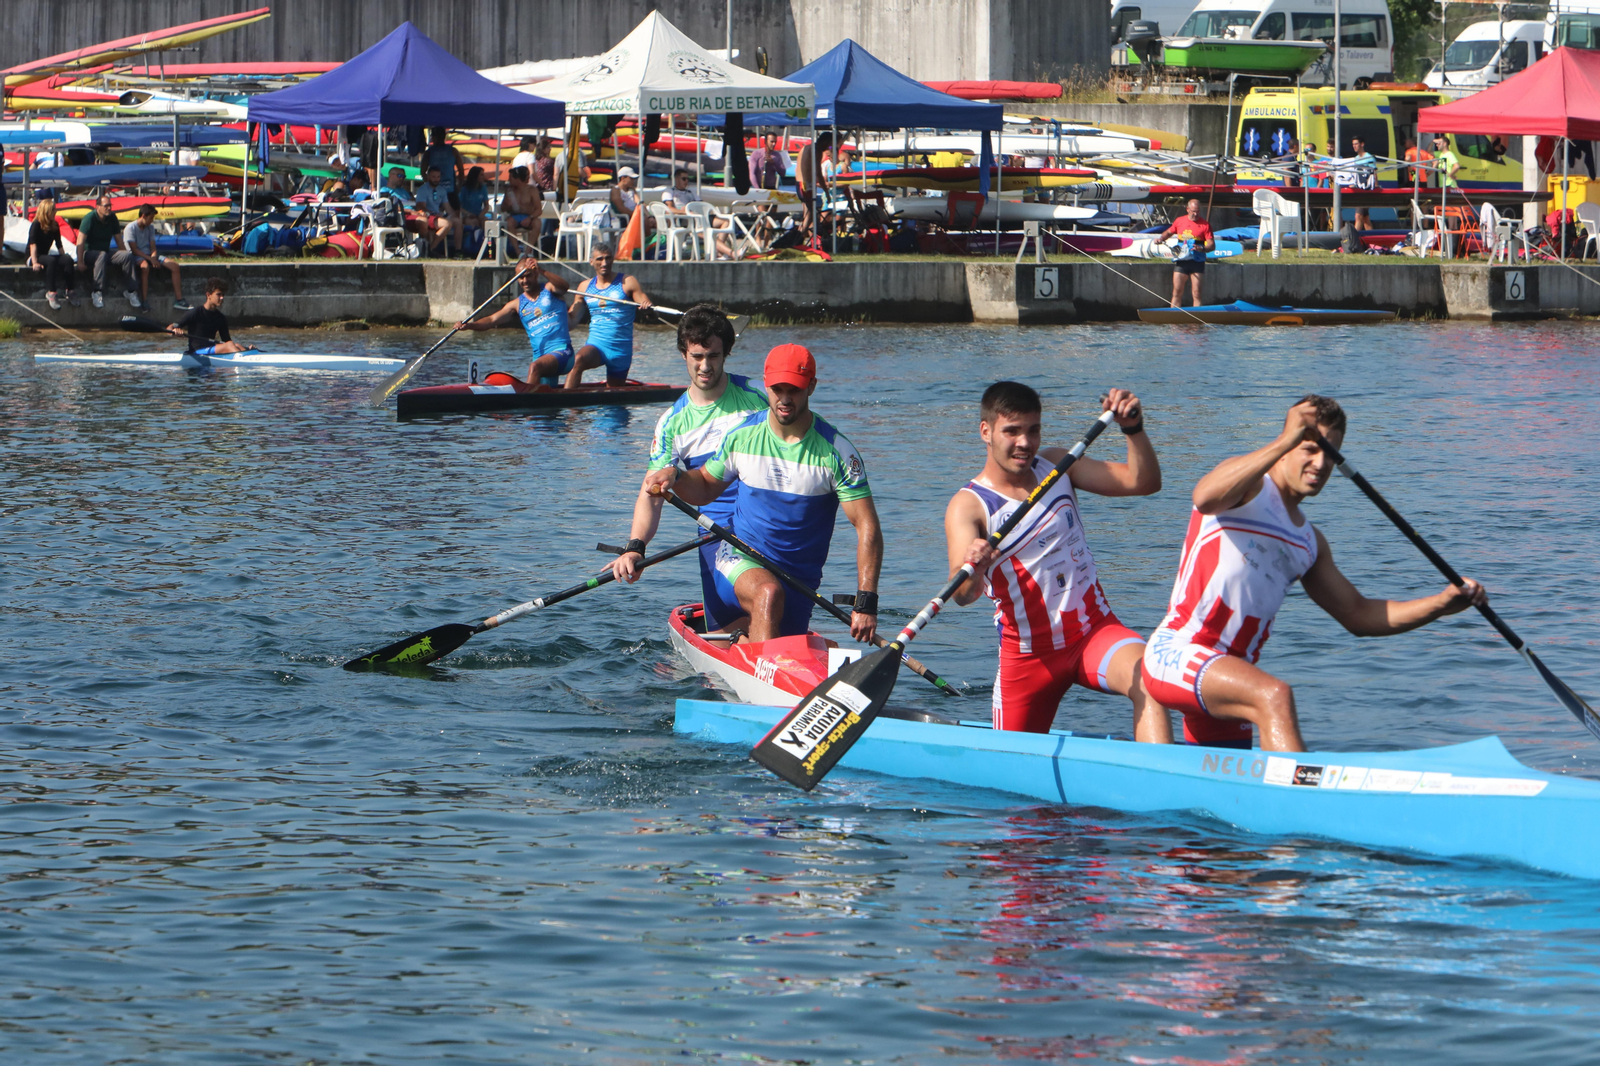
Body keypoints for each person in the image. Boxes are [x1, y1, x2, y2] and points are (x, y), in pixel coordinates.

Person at [1141, 396, 1488, 753]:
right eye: (1310, 448)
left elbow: (1359, 615)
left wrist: (1441, 604)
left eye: (1331, 454)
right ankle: (1298, 795)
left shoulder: (1310, 543)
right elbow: (1204, 498)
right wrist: (1282, 441)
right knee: (1274, 695)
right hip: (1177, 653)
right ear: (1290, 443)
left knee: (1226, 789)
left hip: (1228, 676)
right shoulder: (1248, 486)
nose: (1321, 463)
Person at [945, 382, 1170, 742]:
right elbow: (962, 594)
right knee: (1012, 773)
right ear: (985, 431)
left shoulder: (1058, 465)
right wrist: (977, 564)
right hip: (1027, 658)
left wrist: (1133, 429)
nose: (1024, 443)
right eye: (1012, 431)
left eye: (1033, 430)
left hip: (1093, 632)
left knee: (1152, 679)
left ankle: (1162, 785)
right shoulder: (969, 505)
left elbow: (1144, 483)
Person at [642, 343, 881, 644]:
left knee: (780, 625)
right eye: (776, 389)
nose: (783, 399)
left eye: (793, 390)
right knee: (768, 593)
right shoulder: (743, 436)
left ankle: (752, 648)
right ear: (766, 385)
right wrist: (675, 476)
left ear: (811, 387)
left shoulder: (838, 453)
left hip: (800, 579)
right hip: (739, 559)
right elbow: (703, 486)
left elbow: (867, 526)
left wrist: (866, 601)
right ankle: (764, 670)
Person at [610, 306, 769, 628]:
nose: (705, 366)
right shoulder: (672, 423)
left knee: (774, 609)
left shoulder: (760, 395)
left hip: (769, 530)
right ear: (684, 353)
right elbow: (652, 491)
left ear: (726, 353)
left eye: (713, 356)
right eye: (697, 356)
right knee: (754, 609)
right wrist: (635, 547)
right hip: (719, 535)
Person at [455, 257, 573, 384]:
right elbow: (491, 319)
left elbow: (564, 287)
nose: (525, 281)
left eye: (528, 276)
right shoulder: (516, 304)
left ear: (536, 274)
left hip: (563, 352)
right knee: (544, 395)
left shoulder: (550, 290)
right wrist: (469, 325)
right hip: (541, 358)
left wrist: (541, 270)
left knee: (534, 368)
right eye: (521, 277)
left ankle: (524, 403)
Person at [569, 243, 652, 387]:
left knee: (614, 404)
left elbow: (648, 306)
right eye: (600, 259)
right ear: (591, 261)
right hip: (596, 345)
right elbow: (572, 320)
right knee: (578, 360)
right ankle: (568, 405)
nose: (604, 263)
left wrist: (647, 308)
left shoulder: (627, 282)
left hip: (621, 351)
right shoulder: (584, 287)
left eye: (608, 258)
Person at [119, 203, 190, 311]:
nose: (152, 220)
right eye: (151, 218)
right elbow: (134, 250)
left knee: (174, 266)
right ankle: (144, 300)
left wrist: (154, 256)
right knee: (145, 267)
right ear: (143, 216)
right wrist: (150, 259)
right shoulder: (130, 228)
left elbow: (153, 246)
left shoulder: (150, 228)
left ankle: (179, 300)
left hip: (149, 255)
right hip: (136, 256)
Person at [165, 276, 250, 356]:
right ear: (208, 295)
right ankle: (243, 362)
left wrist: (247, 349)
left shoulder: (221, 318)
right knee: (230, 345)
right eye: (219, 295)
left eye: (223, 295)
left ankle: (249, 356)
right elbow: (169, 328)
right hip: (197, 352)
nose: (222, 298)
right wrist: (174, 331)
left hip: (211, 349)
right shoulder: (195, 313)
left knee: (238, 345)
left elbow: (226, 341)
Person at [75, 193, 130, 310]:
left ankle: (131, 290)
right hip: (89, 253)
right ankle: (97, 291)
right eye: (106, 206)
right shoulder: (89, 218)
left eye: (110, 205)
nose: (109, 208)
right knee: (101, 255)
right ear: (98, 206)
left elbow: (119, 240)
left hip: (105, 253)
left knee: (127, 255)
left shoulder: (112, 218)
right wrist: (80, 261)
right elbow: (80, 240)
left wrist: (127, 256)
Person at [1157, 198, 1214, 308]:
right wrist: (1161, 239)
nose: (1196, 214)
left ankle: (1197, 318)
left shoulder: (1205, 225)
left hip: (1197, 261)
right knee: (1177, 292)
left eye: (1197, 211)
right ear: (1188, 209)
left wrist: (1201, 248)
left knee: (1197, 293)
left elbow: (1212, 245)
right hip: (1182, 261)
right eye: (1193, 211)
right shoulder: (1180, 221)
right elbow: (1169, 232)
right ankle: (1173, 317)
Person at [28, 198, 76, 310]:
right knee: (51, 260)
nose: (55, 212)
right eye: (53, 210)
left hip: (44, 255)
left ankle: (70, 290)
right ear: (46, 212)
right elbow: (33, 244)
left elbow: (59, 245)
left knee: (68, 260)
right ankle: (51, 292)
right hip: (33, 256)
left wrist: (64, 257)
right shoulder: (36, 225)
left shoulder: (54, 226)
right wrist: (34, 262)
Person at [414, 165, 459, 256]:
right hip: (428, 216)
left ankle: (458, 251)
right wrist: (434, 213)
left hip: (438, 215)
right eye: (433, 177)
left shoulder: (441, 190)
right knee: (447, 224)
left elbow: (447, 207)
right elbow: (420, 207)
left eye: (438, 177)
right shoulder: (422, 189)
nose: (436, 179)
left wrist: (455, 215)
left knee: (458, 221)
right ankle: (431, 249)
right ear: (428, 177)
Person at [501, 166, 543, 249]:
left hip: (528, 216)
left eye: (511, 178)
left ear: (517, 179)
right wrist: (506, 204)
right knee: (509, 222)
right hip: (514, 216)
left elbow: (539, 210)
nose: (509, 180)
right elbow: (503, 209)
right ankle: (518, 252)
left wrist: (530, 218)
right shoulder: (509, 191)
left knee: (537, 223)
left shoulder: (532, 190)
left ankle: (528, 251)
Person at [420, 127, 463, 193]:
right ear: (444, 136)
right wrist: (459, 186)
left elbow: (423, 171)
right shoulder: (453, 150)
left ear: (434, 137)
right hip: (449, 189)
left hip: (439, 190)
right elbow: (461, 170)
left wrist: (429, 185)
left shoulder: (429, 152)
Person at [458, 166, 489, 230]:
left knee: (487, 222)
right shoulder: (464, 189)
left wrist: (481, 215)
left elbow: (487, 206)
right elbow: (458, 206)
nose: (483, 177)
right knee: (474, 222)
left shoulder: (483, 188)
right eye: (481, 175)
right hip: (466, 216)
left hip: (479, 214)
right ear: (475, 176)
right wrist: (468, 214)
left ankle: (486, 239)